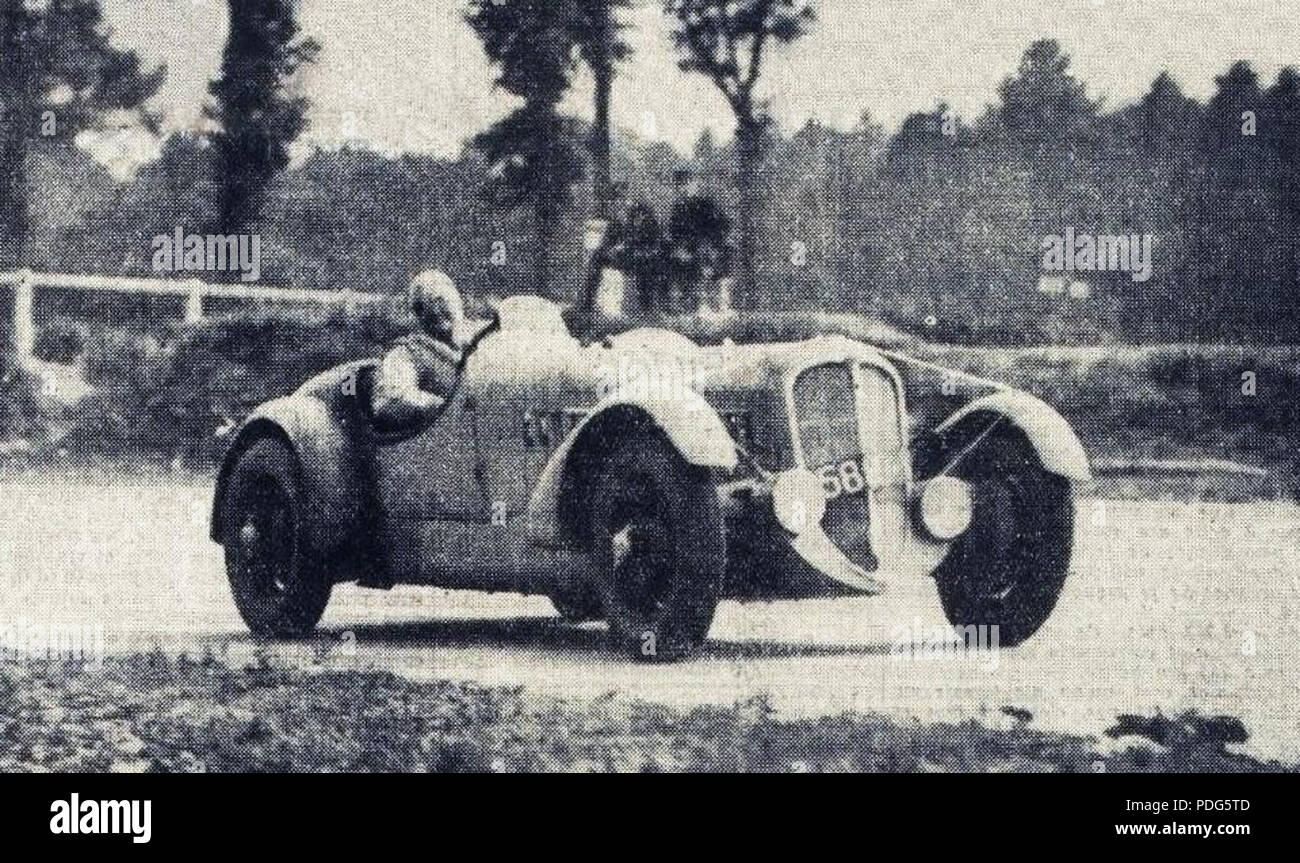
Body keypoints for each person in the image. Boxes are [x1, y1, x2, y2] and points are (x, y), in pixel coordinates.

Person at [372, 270, 467, 427]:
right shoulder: (406, 353)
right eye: (423, 306)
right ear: (416, 314)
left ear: (457, 302)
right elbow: (389, 400)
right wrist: (444, 406)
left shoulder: (482, 345)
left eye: (440, 300)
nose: (435, 311)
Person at [667, 169, 732, 312]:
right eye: (679, 186)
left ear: (694, 184)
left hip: (707, 249)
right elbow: (674, 234)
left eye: (686, 184)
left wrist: (709, 245)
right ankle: (681, 306)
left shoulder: (706, 205)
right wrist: (679, 248)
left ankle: (707, 305)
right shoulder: (677, 209)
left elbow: (722, 227)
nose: (683, 189)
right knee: (670, 261)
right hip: (686, 250)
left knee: (704, 263)